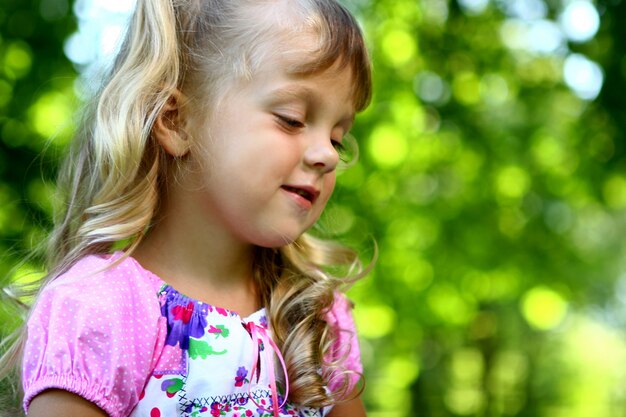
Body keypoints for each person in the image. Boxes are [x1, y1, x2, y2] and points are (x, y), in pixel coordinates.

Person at [0, 0, 373, 416]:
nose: (327, 154)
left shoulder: (317, 319)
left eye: (338, 137)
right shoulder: (99, 311)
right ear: (177, 121)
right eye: (291, 119)